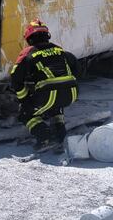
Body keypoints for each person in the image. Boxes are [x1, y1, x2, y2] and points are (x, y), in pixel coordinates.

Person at [10, 19, 79, 150]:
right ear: (47, 36)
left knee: (26, 114)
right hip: (72, 93)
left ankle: (45, 137)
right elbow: (77, 67)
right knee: (55, 106)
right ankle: (60, 134)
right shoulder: (59, 50)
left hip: (49, 94)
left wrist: (24, 100)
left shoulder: (29, 52)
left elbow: (15, 78)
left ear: (29, 39)